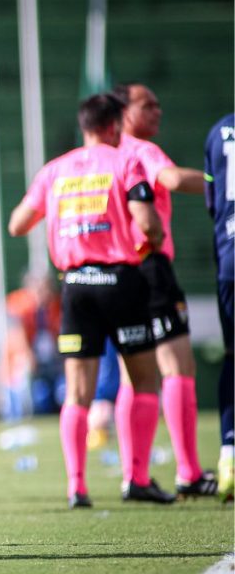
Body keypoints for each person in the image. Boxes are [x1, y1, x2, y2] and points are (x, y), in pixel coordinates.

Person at [8, 93, 174, 508]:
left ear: (84, 125)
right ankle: (136, 478)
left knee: (77, 393)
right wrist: (147, 242)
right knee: (144, 381)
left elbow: (17, 224)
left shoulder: (55, 170)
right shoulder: (125, 162)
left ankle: (76, 486)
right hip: (121, 280)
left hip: (76, 285)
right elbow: (149, 224)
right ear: (115, 125)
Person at [110, 82, 216, 497]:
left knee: (131, 378)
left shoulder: (103, 158)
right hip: (150, 267)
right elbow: (171, 179)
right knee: (178, 368)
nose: (157, 111)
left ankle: (133, 475)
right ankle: (188, 471)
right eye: (146, 105)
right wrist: (220, 180)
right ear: (122, 113)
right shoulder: (140, 150)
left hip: (116, 271)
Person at [203, 113, 234, 502]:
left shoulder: (219, 129)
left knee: (232, 357)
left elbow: (213, 204)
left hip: (228, 258)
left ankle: (228, 456)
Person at [0, 270, 64, 421]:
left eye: (47, 288)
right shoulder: (19, 305)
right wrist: (30, 357)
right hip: (25, 364)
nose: (44, 293)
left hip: (52, 362)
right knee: (24, 371)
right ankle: (22, 415)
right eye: (39, 288)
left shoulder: (56, 305)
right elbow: (19, 339)